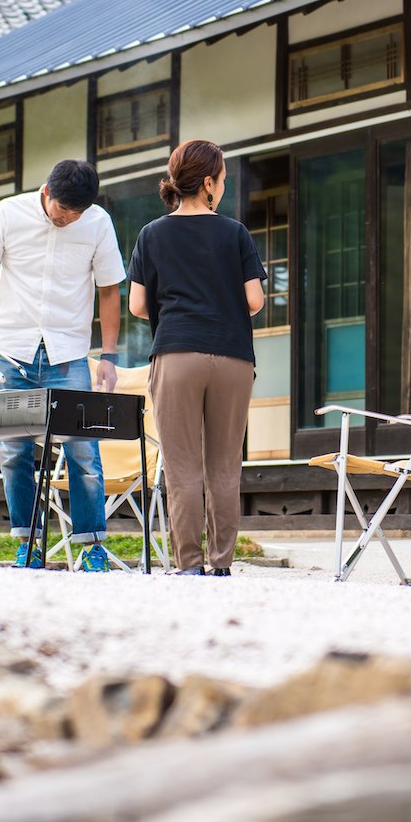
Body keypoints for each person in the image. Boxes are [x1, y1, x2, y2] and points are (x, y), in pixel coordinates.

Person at [0, 160, 125, 572]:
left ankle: (91, 547)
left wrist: (108, 355)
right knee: (14, 452)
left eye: (76, 215)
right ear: (47, 193)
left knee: (83, 451)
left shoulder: (98, 223)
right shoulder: (8, 213)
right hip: (12, 351)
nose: (68, 220)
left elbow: (108, 291)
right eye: (62, 213)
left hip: (68, 354)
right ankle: (27, 543)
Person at [127, 140, 266, 576]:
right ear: (208, 183)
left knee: (182, 465)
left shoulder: (152, 233)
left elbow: (136, 305)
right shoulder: (235, 232)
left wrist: (176, 307)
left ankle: (188, 565)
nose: (223, 187)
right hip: (232, 358)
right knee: (225, 467)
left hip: (177, 353)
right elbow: (255, 300)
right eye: (222, 180)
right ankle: (221, 563)